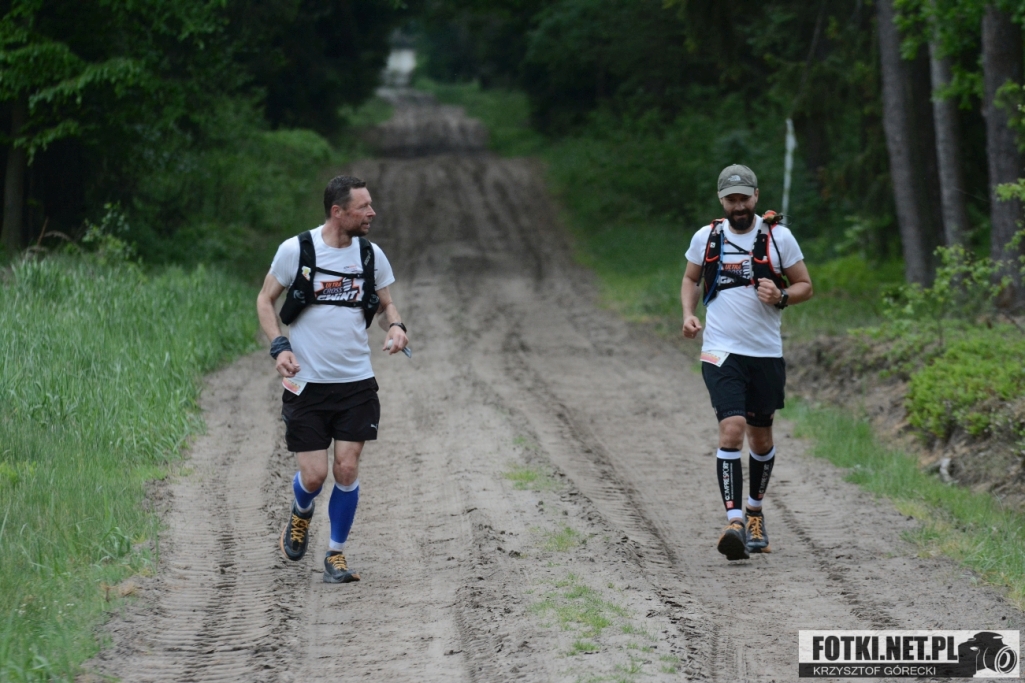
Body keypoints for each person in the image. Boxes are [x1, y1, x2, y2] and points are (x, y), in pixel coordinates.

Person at [256, 175, 409, 583]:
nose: (372, 213)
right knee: (314, 476)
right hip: (306, 384)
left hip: (356, 383)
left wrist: (396, 327)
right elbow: (265, 299)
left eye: (370, 205)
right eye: (363, 207)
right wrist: (279, 346)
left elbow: (386, 306)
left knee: (346, 468)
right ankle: (301, 511)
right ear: (338, 212)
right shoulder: (296, 250)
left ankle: (335, 554)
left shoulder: (371, 255)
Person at [680, 164, 813, 561]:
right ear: (721, 200)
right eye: (731, 199)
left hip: (765, 353)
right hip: (721, 351)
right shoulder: (707, 237)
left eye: (744, 198)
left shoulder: (778, 238)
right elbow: (691, 278)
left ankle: (754, 512)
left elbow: (805, 285)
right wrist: (688, 314)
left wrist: (782, 296)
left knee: (761, 439)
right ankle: (734, 522)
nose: (738, 206)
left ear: (755, 196)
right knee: (732, 428)